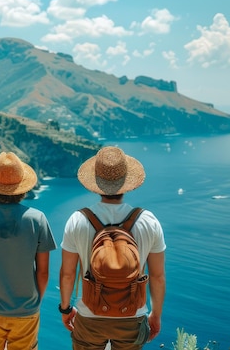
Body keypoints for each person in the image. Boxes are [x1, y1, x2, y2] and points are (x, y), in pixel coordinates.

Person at [58, 146, 166, 350]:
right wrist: (155, 315)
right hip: (132, 318)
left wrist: (65, 309)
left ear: (96, 184)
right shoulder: (148, 221)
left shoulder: (77, 220)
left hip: (89, 316)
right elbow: (158, 276)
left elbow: (67, 274)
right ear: (126, 183)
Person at [0, 152, 57, 350]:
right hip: (26, 310)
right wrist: (35, 303)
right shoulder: (37, 219)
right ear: (21, 187)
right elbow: (43, 271)